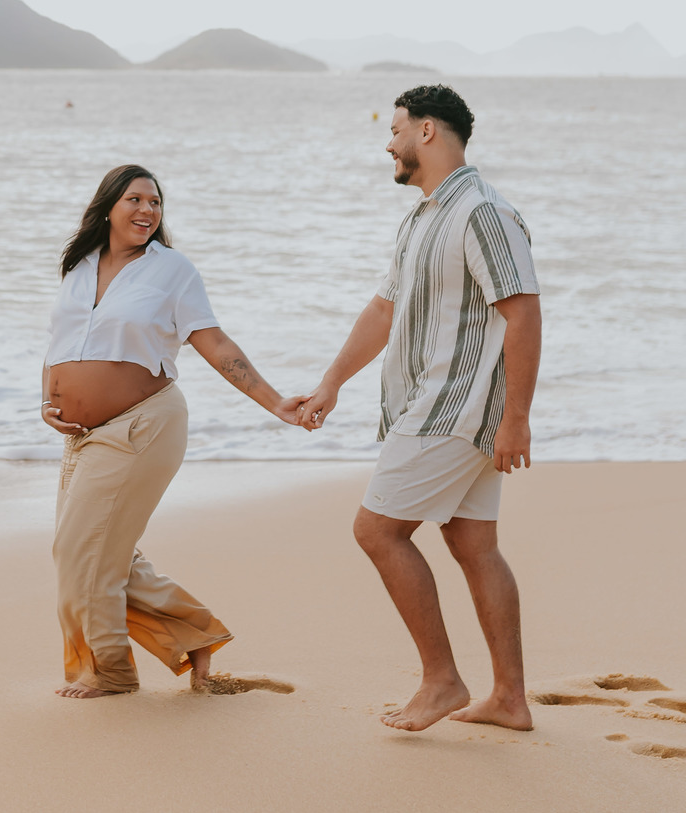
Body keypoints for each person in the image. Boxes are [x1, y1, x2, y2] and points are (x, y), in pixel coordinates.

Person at [296, 86, 541, 734]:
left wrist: (515, 419)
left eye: (397, 128)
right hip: (439, 406)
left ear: (427, 131)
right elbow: (385, 310)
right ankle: (510, 699)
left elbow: (522, 312)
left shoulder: (483, 212)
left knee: (376, 531)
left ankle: (441, 680)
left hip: (453, 410)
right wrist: (332, 383)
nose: (389, 141)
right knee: (473, 542)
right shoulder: (421, 218)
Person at [44, 163, 316, 698]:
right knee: (93, 551)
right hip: (83, 435)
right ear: (107, 207)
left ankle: (111, 672)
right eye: (136, 200)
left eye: (155, 202)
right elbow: (60, 340)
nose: (148, 210)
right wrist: (48, 398)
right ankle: (194, 635)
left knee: (84, 551)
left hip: (143, 426)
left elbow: (213, 342)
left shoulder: (172, 271)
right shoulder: (79, 267)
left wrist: (275, 402)